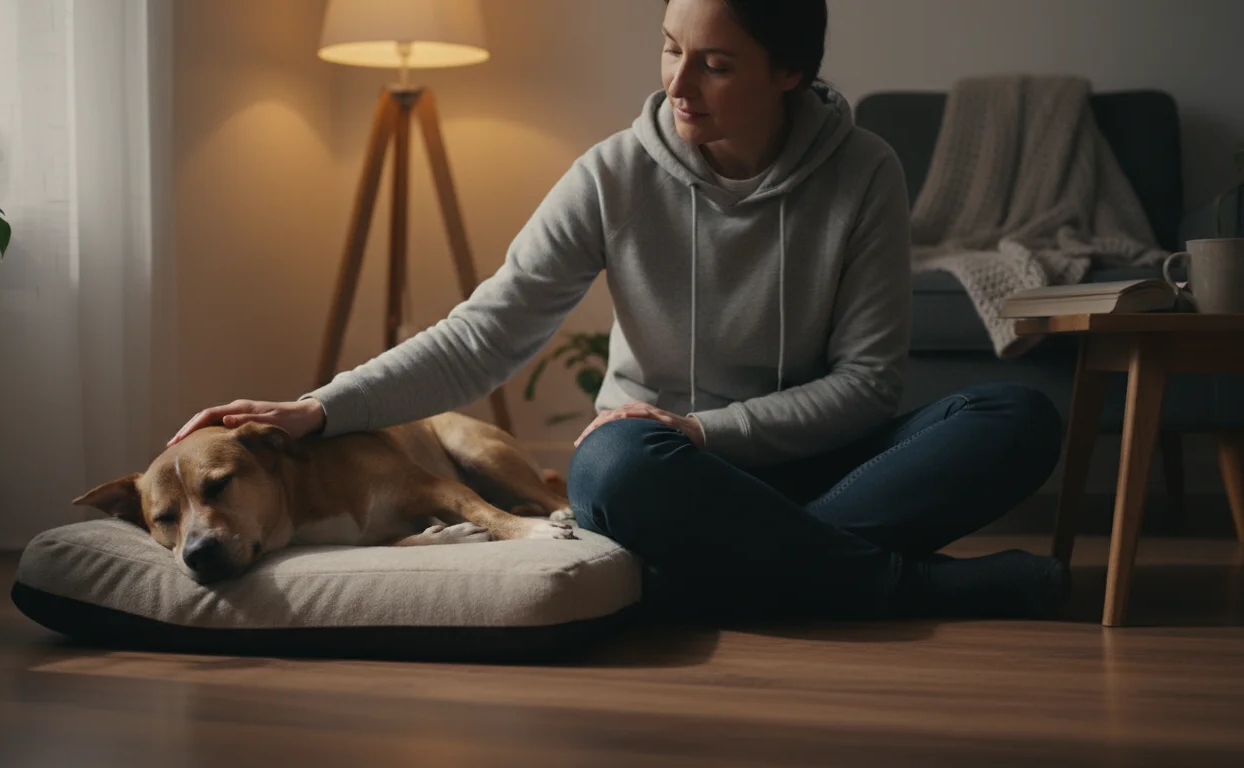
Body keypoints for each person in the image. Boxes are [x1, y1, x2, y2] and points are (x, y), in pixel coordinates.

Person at [169, 0, 1070, 621]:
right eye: (671, 47)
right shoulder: (614, 174)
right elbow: (483, 335)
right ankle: (907, 588)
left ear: (788, 70)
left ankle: (726, 581)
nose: (680, 83)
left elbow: (870, 386)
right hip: (666, 478)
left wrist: (707, 431)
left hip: (811, 464)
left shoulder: (864, 169)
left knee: (1015, 414)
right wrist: (320, 407)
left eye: (715, 64)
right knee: (611, 462)